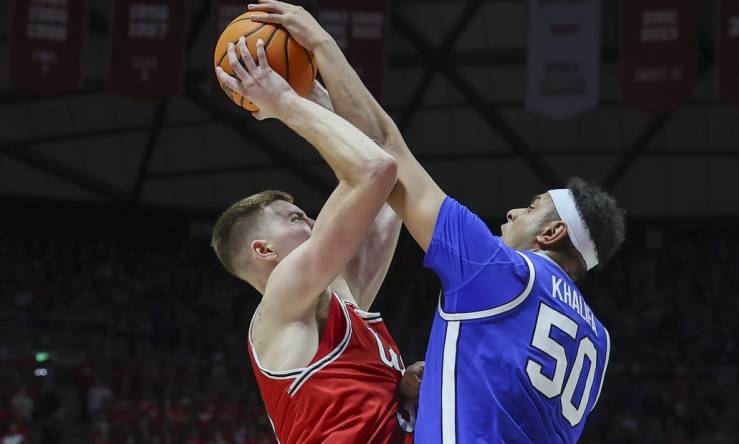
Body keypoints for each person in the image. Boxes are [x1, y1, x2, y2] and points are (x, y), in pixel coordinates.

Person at [246, 2, 626, 442]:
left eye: (532, 206)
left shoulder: (502, 272)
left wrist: (319, 45)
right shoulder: (598, 342)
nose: (513, 212)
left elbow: (385, 151)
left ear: (552, 232)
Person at [213, 31, 416, 442]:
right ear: (264, 250)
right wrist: (288, 105)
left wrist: (404, 393)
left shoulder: (342, 304)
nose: (312, 221)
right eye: (294, 218)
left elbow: (394, 184)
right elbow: (376, 171)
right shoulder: (283, 297)